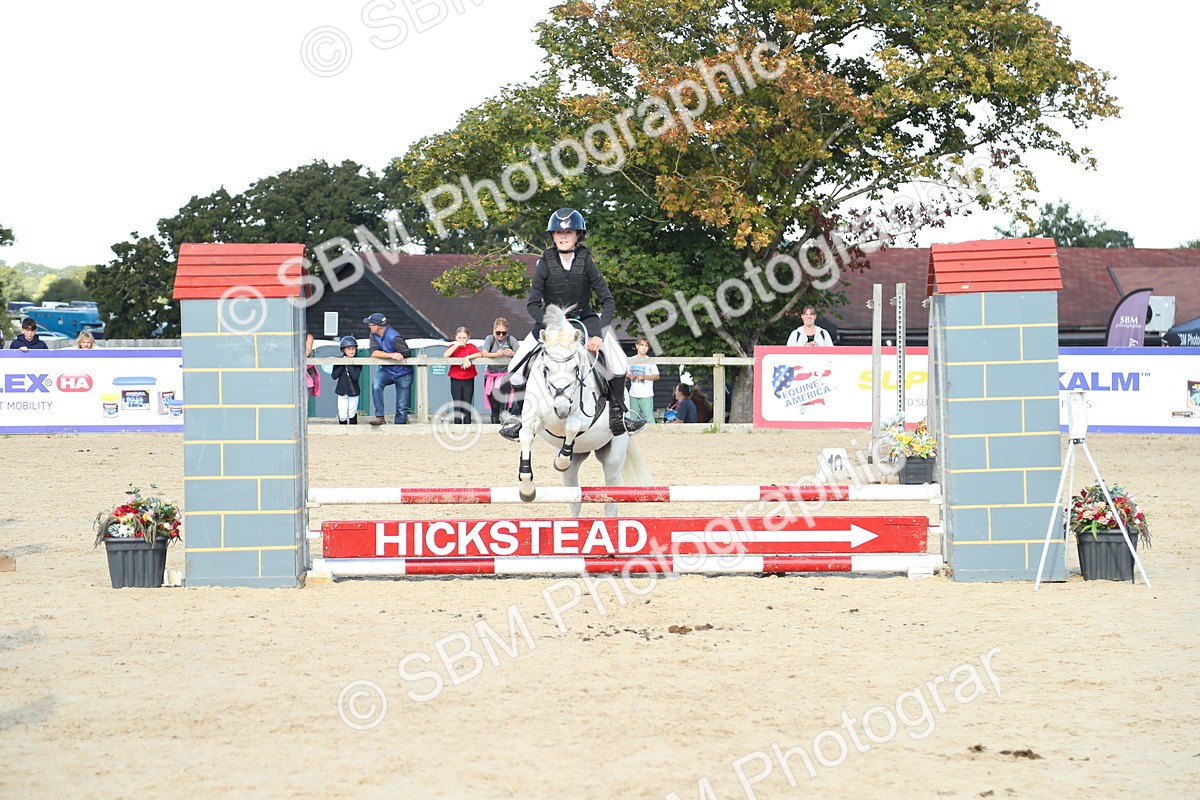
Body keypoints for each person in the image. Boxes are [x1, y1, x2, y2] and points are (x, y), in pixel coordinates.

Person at [498, 207, 646, 440]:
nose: (563, 236)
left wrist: (599, 334)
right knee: (514, 370)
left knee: (618, 365)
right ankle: (518, 417)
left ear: (578, 235)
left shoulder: (586, 261)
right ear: (553, 236)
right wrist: (549, 324)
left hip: (583, 321)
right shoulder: (545, 262)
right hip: (549, 324)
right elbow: (532, 304)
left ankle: (619, 417)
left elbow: (608, 301)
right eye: (558, 232)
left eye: (568, 231)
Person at [363, 312, 413, 425]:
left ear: (376, 326)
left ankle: (399, 430)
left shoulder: (395, 337)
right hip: (387, 370)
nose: (368, 326)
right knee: (376, 384)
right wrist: (391, 355)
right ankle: (379, 417)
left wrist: (393, 355)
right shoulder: (373, 335)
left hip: (403, 373)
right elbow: (373, 352)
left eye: (370, 324)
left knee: (402, 406)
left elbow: (406, 353)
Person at [479, 317, 518, 424]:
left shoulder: (511, 340)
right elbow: (484, 353)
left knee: (504, 404)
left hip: (505, 375)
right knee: (494, 406)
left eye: (503, 333)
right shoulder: (490, 339)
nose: (501, 335)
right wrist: (497, 354)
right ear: (494, 330)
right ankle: (494, 425)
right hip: (491, 375)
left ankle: (504, 425)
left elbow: (520, 354)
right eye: (498, 332)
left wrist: (511, 353)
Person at [444, 326, 481, 424]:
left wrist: (467, 357)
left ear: (468, 337)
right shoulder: (453, 347)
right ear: (456, 337)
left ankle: (467, 425)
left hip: (468, 379)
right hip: (455, 378)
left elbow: (479, 354)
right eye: (459, 338)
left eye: (464, 338)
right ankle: (457, 425)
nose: (461, 340)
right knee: (457, 404)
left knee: (467, 403)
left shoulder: (471, 347)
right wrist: (456, 345)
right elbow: (446, 355)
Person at [627, 336, 659, 425]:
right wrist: (630, 376)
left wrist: (644, 377)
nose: (644, 348)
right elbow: (625, 374)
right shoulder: (631, 360)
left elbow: (657, 376)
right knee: (632, 418)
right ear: (637, 346)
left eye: (646, 346)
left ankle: (653, 435)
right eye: (642, 345)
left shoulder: (650, 361)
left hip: (646, 394)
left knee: (649, 418)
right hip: (633, 393)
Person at [331, 335, 362, 425]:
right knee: (343, 415)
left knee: (352, 413)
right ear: (343, 350)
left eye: (353, 349)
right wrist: (343, 363)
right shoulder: (338, 361)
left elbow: (355, 376)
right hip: (342, 391)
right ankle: (342, 432)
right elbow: (334, 376)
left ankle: (353, 433)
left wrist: (349, 364)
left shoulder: (358, 362)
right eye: (348, 349)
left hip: (354, 391)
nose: (351, 351)